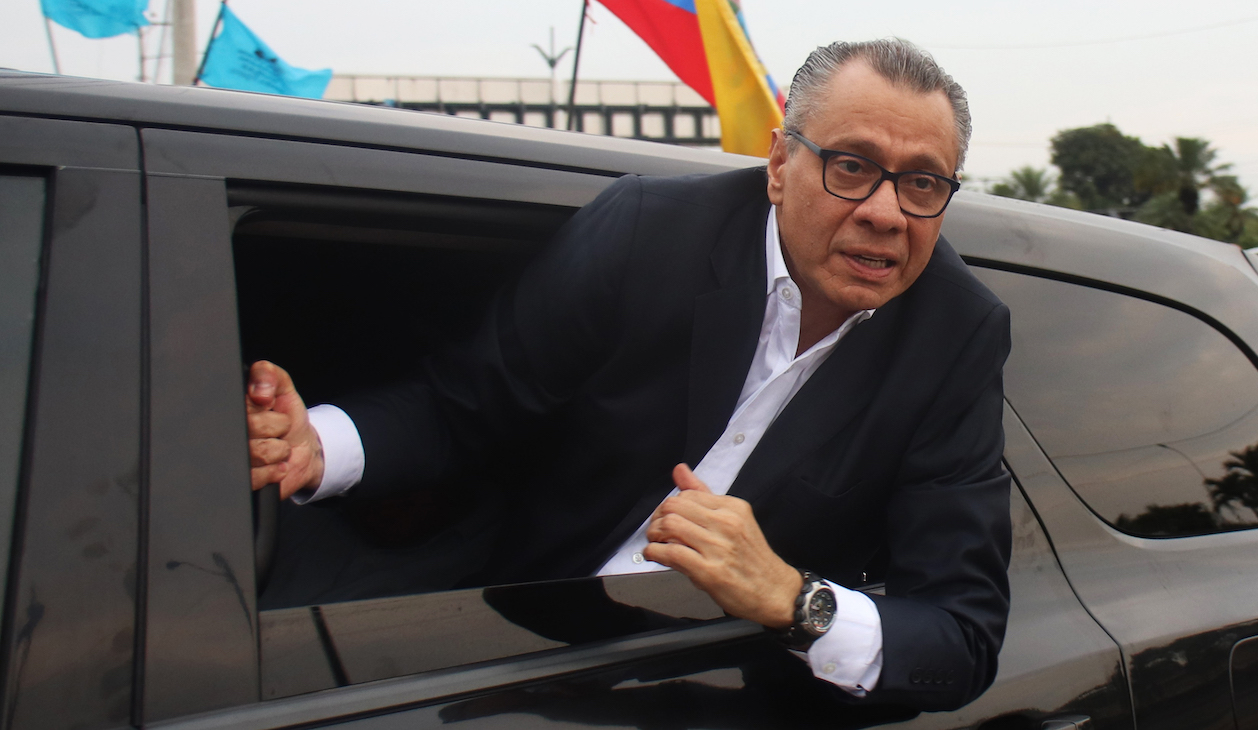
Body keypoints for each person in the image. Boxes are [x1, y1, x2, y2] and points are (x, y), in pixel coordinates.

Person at [244, 39, 1012, 710]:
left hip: (725, 689)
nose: (886, 212)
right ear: (780, 163)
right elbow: (464, 406)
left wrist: (790, 597)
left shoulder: (956, 336)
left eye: (922, 183)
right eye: (851, 166)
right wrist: (316, 444)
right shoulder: (650, 233)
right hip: (509, 644)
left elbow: (961, 635)